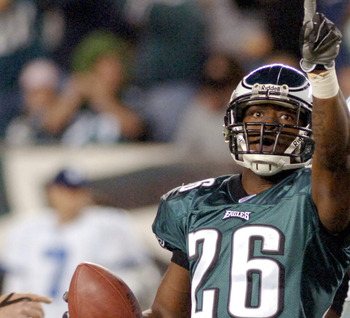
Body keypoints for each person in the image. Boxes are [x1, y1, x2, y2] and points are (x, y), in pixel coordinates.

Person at [142, 2, 350, 317]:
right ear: (233, 122)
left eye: (285, 115)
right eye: (256, 112)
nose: (268, 125)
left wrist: (322, 75)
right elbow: (165, 313)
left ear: (311, 128)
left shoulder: (317, 196)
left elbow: (334, 159)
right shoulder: (194, 203)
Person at [0, 168, 161, 317]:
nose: (71, 198)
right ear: (51, 193)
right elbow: (14, 281)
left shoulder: (111, 224)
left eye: (76, 192)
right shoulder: (27, 228)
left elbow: (138, 276)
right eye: (64, 191)